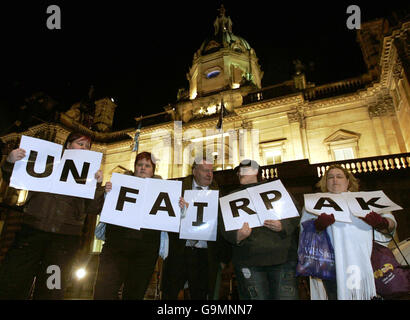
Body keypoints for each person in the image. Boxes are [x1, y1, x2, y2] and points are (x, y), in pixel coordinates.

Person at [0, 132, 104, 299]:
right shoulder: (48, 162)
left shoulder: (89, 174)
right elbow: (14, 179)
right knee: (13, 281)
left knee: (51, 288)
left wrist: (98, 186)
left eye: (87, 146)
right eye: (80, 144)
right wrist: (10, 162)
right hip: (32, 231)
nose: (84, 148)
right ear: (68, 145)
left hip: (64, 241)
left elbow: (93, 209)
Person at [300, 164, 397, 300]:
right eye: (330, 177)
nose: (335, 180)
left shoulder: (364, 199)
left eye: (339, 176)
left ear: (348, 181)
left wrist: (382, 223)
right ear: (325, 182)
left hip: (364, 260)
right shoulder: (314, 202)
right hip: (330, 264)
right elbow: (303, 232)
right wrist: (316, 226)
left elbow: (390, 223)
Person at [220, 159, 300, 300]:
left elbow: (296, 214)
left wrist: (283, 225)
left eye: (243, 170)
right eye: (238, 171)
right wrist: (237, 236)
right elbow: (224, 225)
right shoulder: (229, 197)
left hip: (282, 259)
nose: (239, 173)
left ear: (256, 171)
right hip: (248, 262)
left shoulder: (276, 188)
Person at [161, 156, 231, 300]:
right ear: (194, 171)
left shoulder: (219, 195)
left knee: (200, 295)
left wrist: (224, 258)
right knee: (170, 294)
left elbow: (223, 228)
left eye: (211, 171)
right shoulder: (177, 190)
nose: (209, 174)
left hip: (204, 255)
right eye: (205, 170)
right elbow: (163, 219)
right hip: (179, 251)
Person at [93, 151, 161, 300]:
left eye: (147, 165)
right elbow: (98, 209)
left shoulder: (163, 191)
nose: (143, 168)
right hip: (116, 247)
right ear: (135, 167)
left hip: (145, 251)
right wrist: (106, 193)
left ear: (153, 170)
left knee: (134, 294)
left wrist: (181, 207)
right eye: (139, 165)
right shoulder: (118, 185)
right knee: (104, 291)